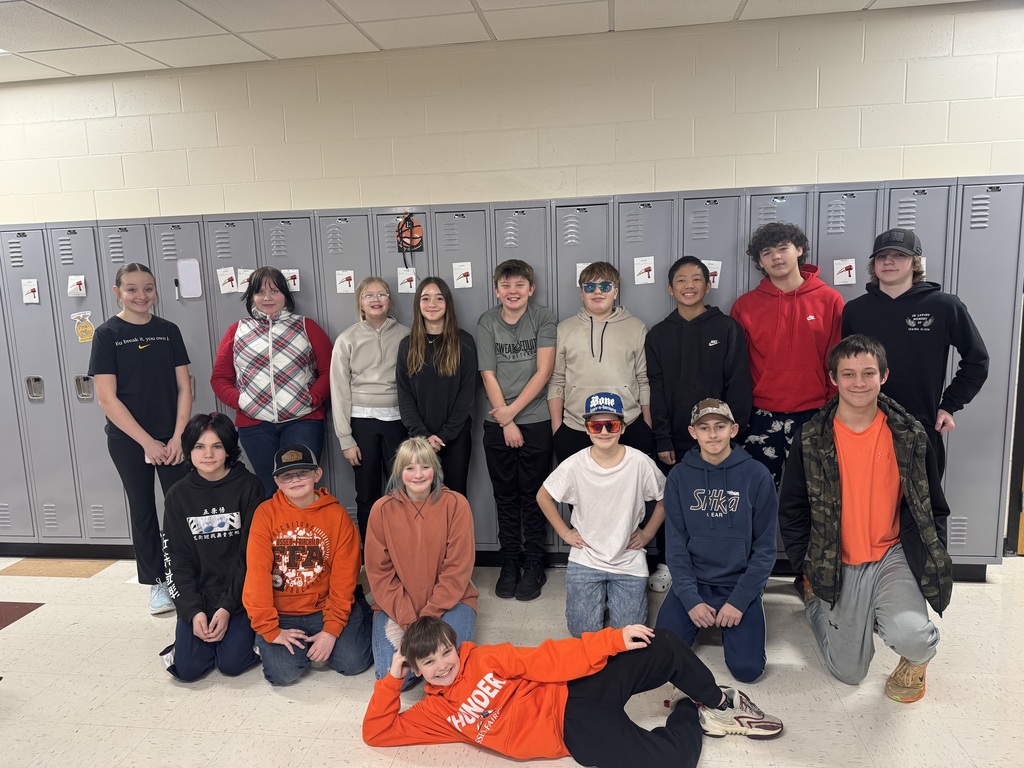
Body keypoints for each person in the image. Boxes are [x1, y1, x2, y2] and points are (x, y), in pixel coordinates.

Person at [779, 334, 953, 703]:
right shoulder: (811, 439)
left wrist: (933, 557)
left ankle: (901, 635)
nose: (859, 382)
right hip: (837, 559)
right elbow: (792, 510)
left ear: (884, 377)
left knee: (914, 638)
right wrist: (806, 565)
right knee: (849, 673)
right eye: (849, 374)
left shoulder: (910, 435)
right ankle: (815, 600)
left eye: (868, 373)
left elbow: (933, 505)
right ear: (833, 379)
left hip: (893, 555)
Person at [362, 616, 783, 768]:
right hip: (573, 735)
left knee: (664, 643)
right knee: (675, 760)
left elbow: (548, 658)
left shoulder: (486, 658)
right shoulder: (437, 716)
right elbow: (377, 733)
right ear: (415, 669)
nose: (443, 666)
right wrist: (393, 679)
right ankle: (692, 709)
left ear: (456, 646)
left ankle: (719, 702)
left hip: (573, 690)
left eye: (446, 653)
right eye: (429, 663)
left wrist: (611, 640)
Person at [841, 227, 988, 476]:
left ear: (915, 262)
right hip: (864, 426)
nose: (888, 261)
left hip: (921, 427)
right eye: (881, 256)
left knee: (922, 510)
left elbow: (977, 360)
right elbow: (845, 367)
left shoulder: (944, 305)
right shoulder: (855, 310)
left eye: (898, 255)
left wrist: (949, 405)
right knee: (867, 509)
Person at [645, 255, 752, 593]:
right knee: (673, 503)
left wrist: (731, 435)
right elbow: (656, 389)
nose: (688, 286)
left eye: (696, 279)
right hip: (674, 439)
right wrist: (662, 438)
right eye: (681, 280)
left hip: (718, 439)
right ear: (670, 289)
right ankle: (667, 562)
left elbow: (739, 384)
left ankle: (718, 565)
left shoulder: (727, 328)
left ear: (708, 285)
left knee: (718, 501)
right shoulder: (659, 334)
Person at [89, 262, 192, 615]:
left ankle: (187, 577)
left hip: (173, 437)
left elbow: (184, 387)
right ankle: (157, 584)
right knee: (144, 509)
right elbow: (107, 398)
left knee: (180, 508)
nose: (141, 295)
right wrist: (147, 442)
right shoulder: (107, 334)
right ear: (117, 292)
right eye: (131, 289)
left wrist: (178, 436)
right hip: (129, 440)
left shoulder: (168, 330)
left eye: (147, 288)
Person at [655, 399, 777, 683]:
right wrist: (690, 599)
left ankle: (745, 612)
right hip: (695, 581)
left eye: (720, 426)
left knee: (748, 671)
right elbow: (675, 546)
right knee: (660, 659)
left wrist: (739, 600)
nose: (712, 434)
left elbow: (766, 549)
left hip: (737, 584)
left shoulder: (756, 476)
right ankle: (698, 616)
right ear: (692, 432)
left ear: (733, 430)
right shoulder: (679, 477)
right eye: (704, 427)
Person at [242, 444, 372, 685]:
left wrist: (331, 630)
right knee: (283, 674)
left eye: (303, 472)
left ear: (317, 474)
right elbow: (257, 573)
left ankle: (359, 611)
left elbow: (344, 578)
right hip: (283, 613)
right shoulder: (265, 513)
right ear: (277, 481)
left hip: (325, 606)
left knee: (353, 663)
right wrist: (270, 629)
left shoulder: (338, 516)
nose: (295, 480)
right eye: (287, 476)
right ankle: (270, 641)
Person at [537, 392, 665, 636]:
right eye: (596, 425)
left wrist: (647, 534)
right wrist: (564, 532)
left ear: (623, 427)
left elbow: (665, 499)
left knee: (631, 633)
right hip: (587, 557)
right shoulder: (575, 464)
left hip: (627, 558)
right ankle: (601, 601)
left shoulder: (640, 463)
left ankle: (611, 601)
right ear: (587, 429)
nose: (604, 432)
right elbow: (543, 496)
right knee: (582, 633)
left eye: (612, 425)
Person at [730, 222, 844, 487]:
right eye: (767, 252)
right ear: (759, 261)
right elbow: (736, 367)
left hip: (814, 414)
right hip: (760, 416)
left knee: (815, 498)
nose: (776, 257)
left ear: (799, 250)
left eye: (783, 249)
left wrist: (831, 410)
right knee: (756, 496)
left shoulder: (829, 300)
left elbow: (838, 361)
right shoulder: (745, 306)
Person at [211, 265, 333, 498]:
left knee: (302, 489)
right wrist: (242, 402)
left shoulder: (306, 326)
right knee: (270, 490)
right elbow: (220, 378)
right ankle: (278, 535)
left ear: (286, 295)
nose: (267, 297)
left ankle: (306, 534)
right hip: (255, 425)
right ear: (251, 296)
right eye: (260, 292)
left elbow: (329, 371)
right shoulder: (237, 330)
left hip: (303, 421)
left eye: (275, 291)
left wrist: (311, 398)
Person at [364, 437, 479, 682]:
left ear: (435, 470)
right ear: (399, 473)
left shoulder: (456, 504)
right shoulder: (381, 510)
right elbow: (379, 573)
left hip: (451, 603)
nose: (418, 474)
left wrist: (427, 618)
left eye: (425, 466)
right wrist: (409, 620)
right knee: (396, 678)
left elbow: (457, 569)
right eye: (410, 468)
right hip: (396, 607)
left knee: (450, 673)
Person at [160, 413, 264, 681]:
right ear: (189, 451)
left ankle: (245, 639)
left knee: (232, 663)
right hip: (199, 593)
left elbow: (250, 555)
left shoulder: (249, 486)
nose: (208, 454)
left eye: (216, 446)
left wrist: (227, 607)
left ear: (228, 449)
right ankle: (182, 645)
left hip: (239, 593)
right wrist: (193, 611)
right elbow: (176, 560)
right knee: (189, 669)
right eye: (199, 446)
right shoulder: (177, 496)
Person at [476, 259, 557, 601]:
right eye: (506, 286)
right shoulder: (487, 321)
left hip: (536, 422)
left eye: (519, 285)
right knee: (505, 497)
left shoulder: (543, 317)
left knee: (534, 497)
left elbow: (544, 372)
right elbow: (487, 374)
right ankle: (510, 563)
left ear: (531, 289)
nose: (513, 291)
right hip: (499, 425)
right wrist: (506, 421)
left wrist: (513, 413)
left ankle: (534, 564)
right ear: (497, 290)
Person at [548, 261, 654, 463]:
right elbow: (556, 380)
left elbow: (643, 379)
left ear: (615, 292)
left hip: (627, 425)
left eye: (605, 286)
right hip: (576, 427)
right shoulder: (564, 329)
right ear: (581, 293)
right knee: (577, 493)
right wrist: (557, 429)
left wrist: (646, 423)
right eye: (589, 287)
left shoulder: (636, 327)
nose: (597, 292)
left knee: (630, 491)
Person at [330, 276, 411, 539]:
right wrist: (346, 439)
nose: (376, 300)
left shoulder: (406, 335)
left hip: (398, 422)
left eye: (382, 295)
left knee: (402, 490)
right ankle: (371, 553)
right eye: (369, 295)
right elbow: (339, 390)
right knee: (366, 493)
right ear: (360, 303)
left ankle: (402, 549)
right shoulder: (347, 339)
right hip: (361, 424)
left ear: (390, 301)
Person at [396, 277, 477, 497]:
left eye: (439, 298)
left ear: (447, 303)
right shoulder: (408, 345)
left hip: (456, 437)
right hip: (418, 440)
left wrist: (444, 435)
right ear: (418, 304)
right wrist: (422, 435)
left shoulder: (464, 342)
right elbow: (404, 395)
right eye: (426, 298)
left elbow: (467, 395)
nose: (432, 303)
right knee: (421, 499)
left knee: (455, 497)